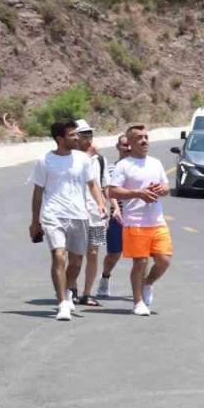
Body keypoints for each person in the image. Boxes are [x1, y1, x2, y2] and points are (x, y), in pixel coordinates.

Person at [28, 119, 108, 321]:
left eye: (78, 134)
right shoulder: (44, 161)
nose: (77, 138)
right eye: (72, 135)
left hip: (80, 215)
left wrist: (100, 204)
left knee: (76, 262)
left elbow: (92, 184)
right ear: (59, 138)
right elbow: (38, 192)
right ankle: (62, 302)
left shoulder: (83, 159)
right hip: (53, 214)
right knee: (59, 256)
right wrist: (35, 221)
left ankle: (70, 290)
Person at [107, 124, 172, 316]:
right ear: (130, 142)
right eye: (139, 138)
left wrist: (162, 189)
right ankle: (138, 302)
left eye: (146, 137)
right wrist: (138, 193)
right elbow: (112, 190)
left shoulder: (156, 162)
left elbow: (166, 186)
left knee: (164, 260)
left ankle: (148, 282)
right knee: (140, 262)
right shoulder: (123, 165)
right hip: (135, 220)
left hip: (157, 220)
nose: (144, 141)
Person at [73, 119, 109, 307]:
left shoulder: (100, 159)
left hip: (95, 215)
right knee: (75, 254)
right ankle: (71, 290)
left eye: (90, 135)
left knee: (93, 252)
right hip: (76, 213)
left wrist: (107, 210)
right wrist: (86, 155)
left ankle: (87, 293)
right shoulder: (70, 158)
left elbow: (103, 187)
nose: (88, 139)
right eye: (83, 135)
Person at [97, 133, 131, 299]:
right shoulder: (111, 169)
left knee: (142, 255)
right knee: (114, 254)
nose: (128, 148)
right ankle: (105, 278)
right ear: (118, 147)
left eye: (130, 145)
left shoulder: (142, 168)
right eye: (124, 145)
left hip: (139, 218)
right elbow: (108, 191)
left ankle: (143, 287)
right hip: (117, 218)